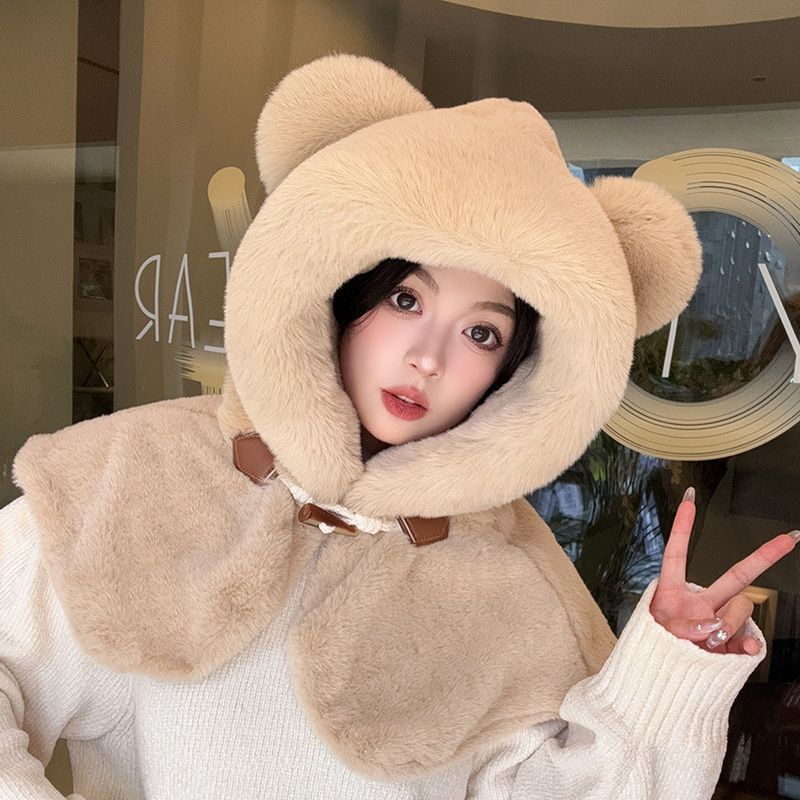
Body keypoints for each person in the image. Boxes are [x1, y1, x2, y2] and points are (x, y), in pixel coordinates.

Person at [2, 52, 797, 800]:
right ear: (342, 286)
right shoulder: (136, 472)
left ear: (518, 371)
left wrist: (667, 676)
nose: (428, 357)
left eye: (481, 332)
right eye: (406, 299)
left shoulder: (509, 575)